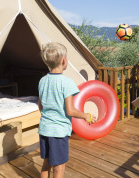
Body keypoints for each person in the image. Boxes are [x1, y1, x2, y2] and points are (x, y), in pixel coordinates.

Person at [38, 42, 96, 178]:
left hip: (44, 129)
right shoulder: (66, 82)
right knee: (59, 167)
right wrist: (86, 116)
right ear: (63, 61)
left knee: (46, 164)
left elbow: (40, 107)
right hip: (58, 132)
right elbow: (70, 111)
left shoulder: (42, 80)